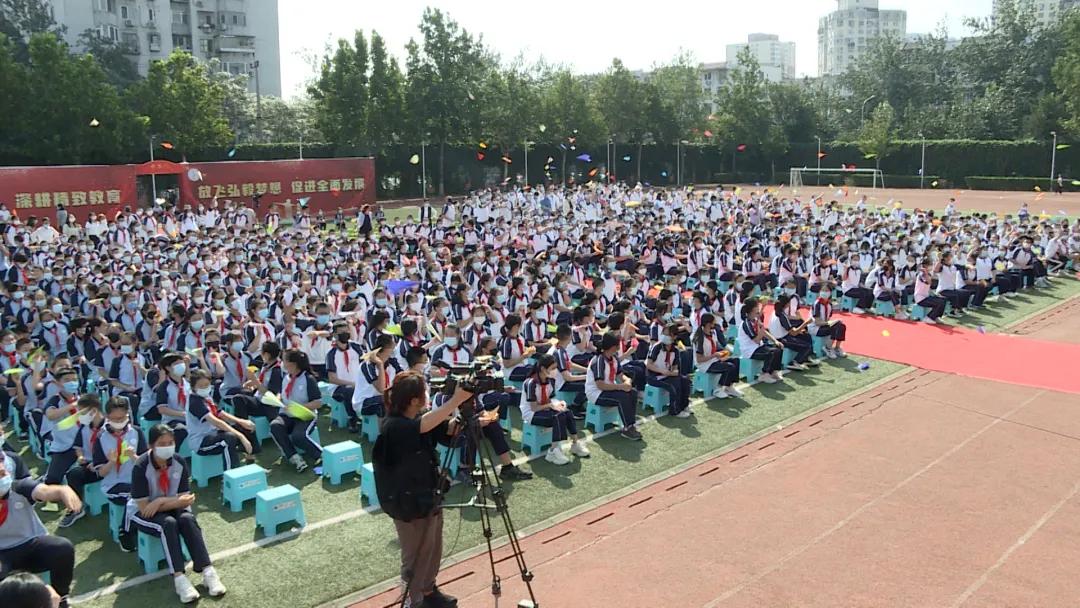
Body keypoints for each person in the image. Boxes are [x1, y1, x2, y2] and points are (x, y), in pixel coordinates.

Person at [373, 371, 474, 608]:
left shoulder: (416, 417)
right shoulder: (393, 425)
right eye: (425, 392)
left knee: (433, 547)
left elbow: (444, 429)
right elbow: (424, 426)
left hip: (428, 493)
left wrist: (465, 417)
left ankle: (428, 590)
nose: (428, 395)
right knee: (414, 554)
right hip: (405, 500)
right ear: (413, 400)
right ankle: (412, 600)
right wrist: (455, 400)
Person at [128, 424, 226, 603]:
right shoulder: (141, 466)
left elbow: (184, 499)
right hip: (141, 514)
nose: (167, 447)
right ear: (151, 446)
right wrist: (166, 502)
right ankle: (179, 578)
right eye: (162, 443)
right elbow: (144, 508)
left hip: (165, 506)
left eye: (170, 442)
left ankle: (207, 571)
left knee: (187, 519)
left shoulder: (179, 462)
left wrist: (160, 501)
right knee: (169, 524)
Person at [0, 444, 80, 608]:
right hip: (2, 555)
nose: (4, 477)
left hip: (30, 543)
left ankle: (61, 597)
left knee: (62, 548)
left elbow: (43, 491)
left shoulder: (18, 487)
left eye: (4, 473)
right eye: (0, 475)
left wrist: (62, 490)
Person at [521, 354, 590, 465]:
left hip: (544, 409)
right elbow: (533, 407)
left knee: (567, 412)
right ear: (543, 369)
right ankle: (553, 452)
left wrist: (558, 403)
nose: (555, 371)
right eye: (552, 368)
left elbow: (549, 398)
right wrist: (550, 406)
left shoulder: (550, 381)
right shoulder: (530, 383)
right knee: (557, 416)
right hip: (531, 414)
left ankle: (575, 444)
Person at [269, 350, 323, 472]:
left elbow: (318, 402)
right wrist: (277, 398)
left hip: (304, 415)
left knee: (298, 436)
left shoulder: (308, 379)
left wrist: (299, 407)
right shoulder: (286, 377)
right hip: (287, 414)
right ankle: (294, 457)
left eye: (284, 360)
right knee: (275, 426)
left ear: (293, 364)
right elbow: (283, 394)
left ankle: (320, 455)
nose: (282, 363)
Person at [584, 333, 641, 440]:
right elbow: (600, 385)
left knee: (632, 392)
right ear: (613, 347)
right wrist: (620, 387)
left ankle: (631, 424)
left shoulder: (613, 358)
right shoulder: (599, 360)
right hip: (596, 393)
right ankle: (627, 428)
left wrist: (627, 380)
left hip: (609, 388)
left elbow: (620, 374)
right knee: (622, 397)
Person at [644, 323, 693, 418]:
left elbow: (675, 367)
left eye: (668, 334)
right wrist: (662, 371)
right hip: (654, 376)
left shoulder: (675, 351)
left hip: (667, 375)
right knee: (674, 385)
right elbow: (649, 365)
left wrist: (674, 372)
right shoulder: (657, 347)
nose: (664, 336)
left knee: (685, 381)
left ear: (674, 336)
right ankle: (674, 410)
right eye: (664, 333)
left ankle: (684, 405)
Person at [737, 299, 784, 384]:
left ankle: (773, 371)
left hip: (758, 347)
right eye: (756, 307)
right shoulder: (746, 324)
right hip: (750, 350)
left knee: (778, 348)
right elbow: (756, 340)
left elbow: (764, 332)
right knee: (770, 353)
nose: (758, 308)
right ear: (751, 309)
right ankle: (764, 374)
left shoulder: (754, 320)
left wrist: (775, 341)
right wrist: (762, 330)